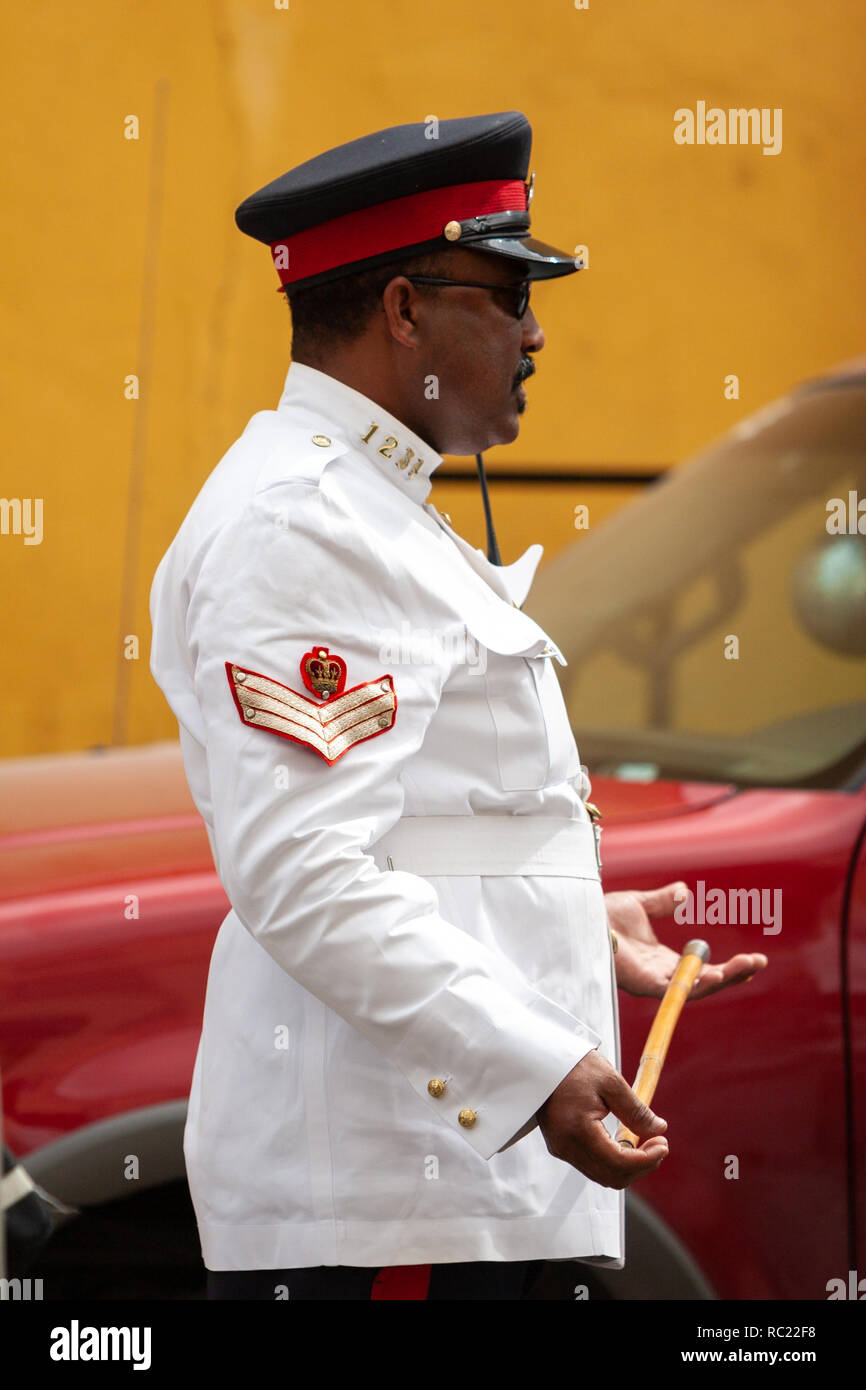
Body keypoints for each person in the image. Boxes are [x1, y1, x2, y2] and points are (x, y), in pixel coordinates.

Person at [149, 111, 766, 1301]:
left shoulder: (371, 503)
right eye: (508, 295)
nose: (536, 334)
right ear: (401, 310)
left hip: (444, 1193)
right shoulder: (303, 520)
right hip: (392, 1211)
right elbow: (303, 873)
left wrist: (569, 913)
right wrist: (536, 1065)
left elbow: (410, 825)